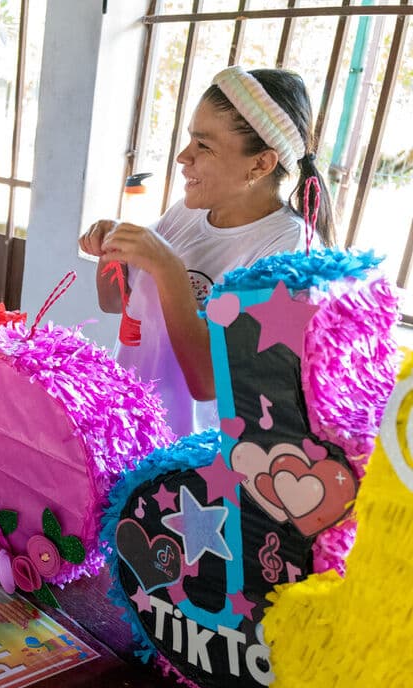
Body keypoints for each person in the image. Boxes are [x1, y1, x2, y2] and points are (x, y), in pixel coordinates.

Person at [79, 67, 334, 437]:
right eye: (189, 141)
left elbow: (209, 383)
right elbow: (115, 303)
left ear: (261, 164)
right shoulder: (188, 212)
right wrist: (111, 249)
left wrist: (167, 267)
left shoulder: (287, 249)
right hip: (126, 426)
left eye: (204, 145)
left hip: (188, 456)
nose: (183, 157)